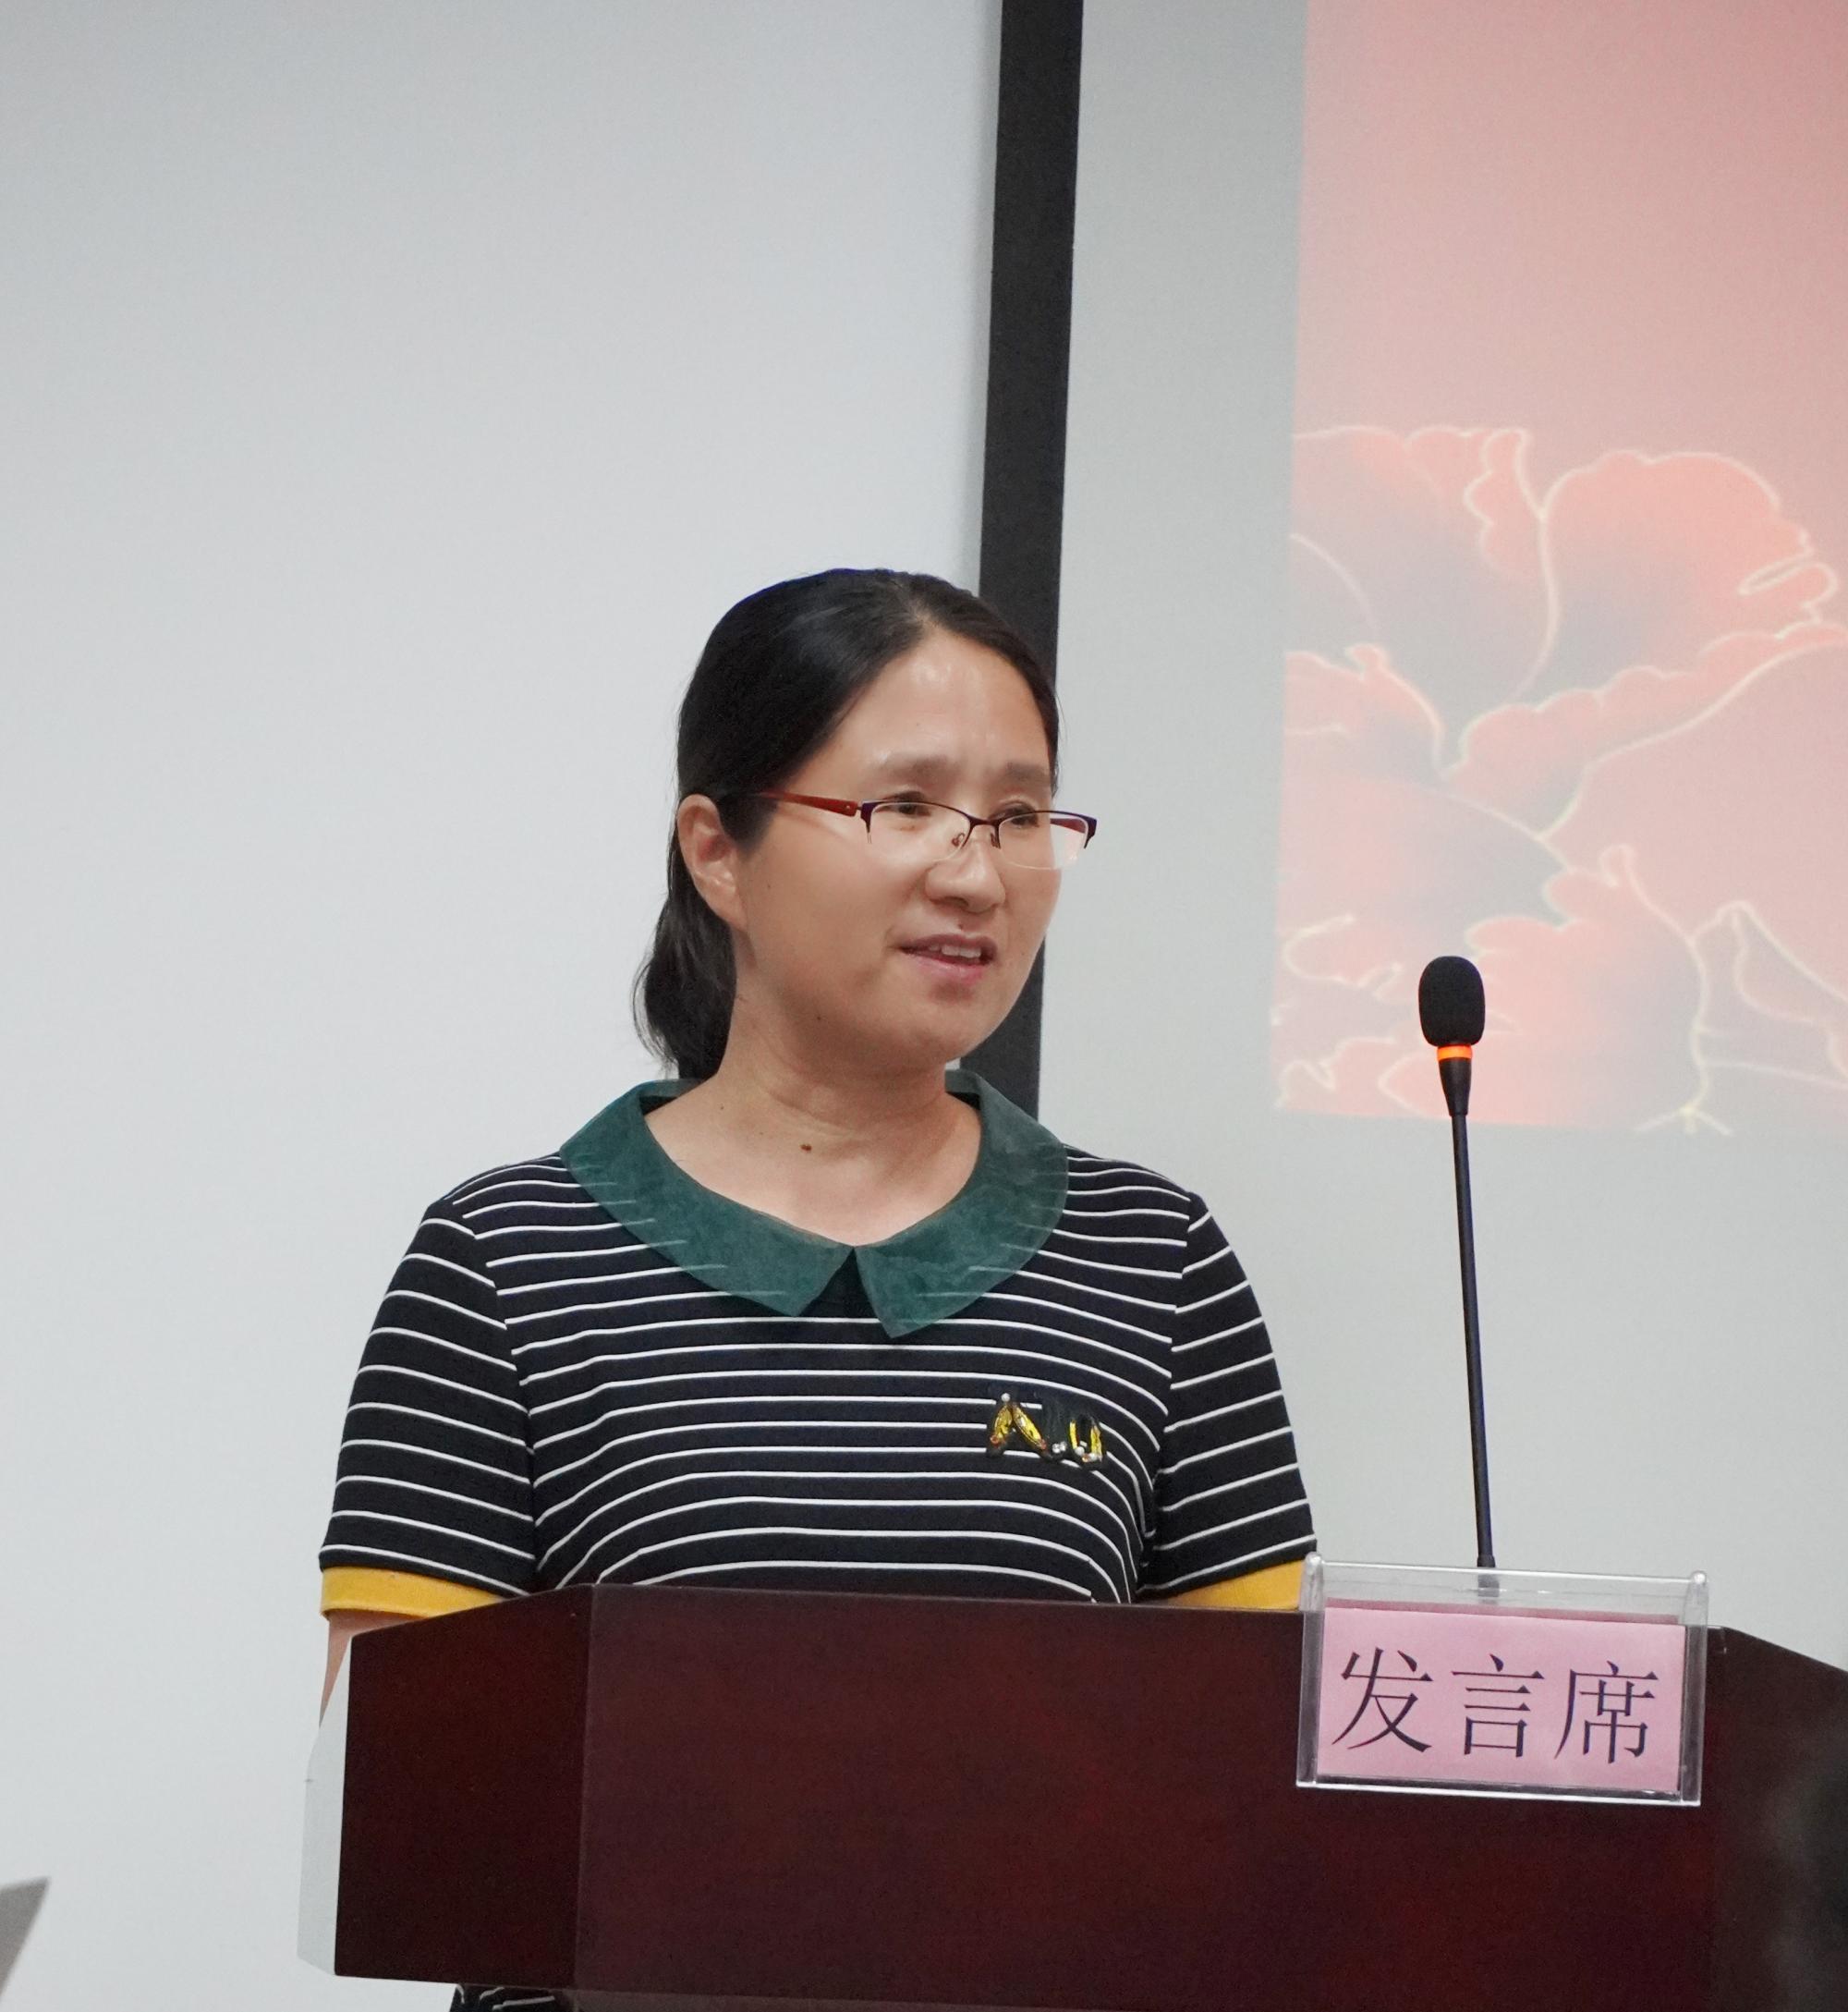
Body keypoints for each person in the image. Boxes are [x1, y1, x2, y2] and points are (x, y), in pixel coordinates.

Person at [317, 568, 1316, 2012]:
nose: (976, 873)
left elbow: (1263, 1788)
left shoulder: (1151, 1255)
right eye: (905, 806)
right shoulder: (506, 1257)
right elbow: (399, 1812)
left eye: (1021, 816)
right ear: (717, 850)